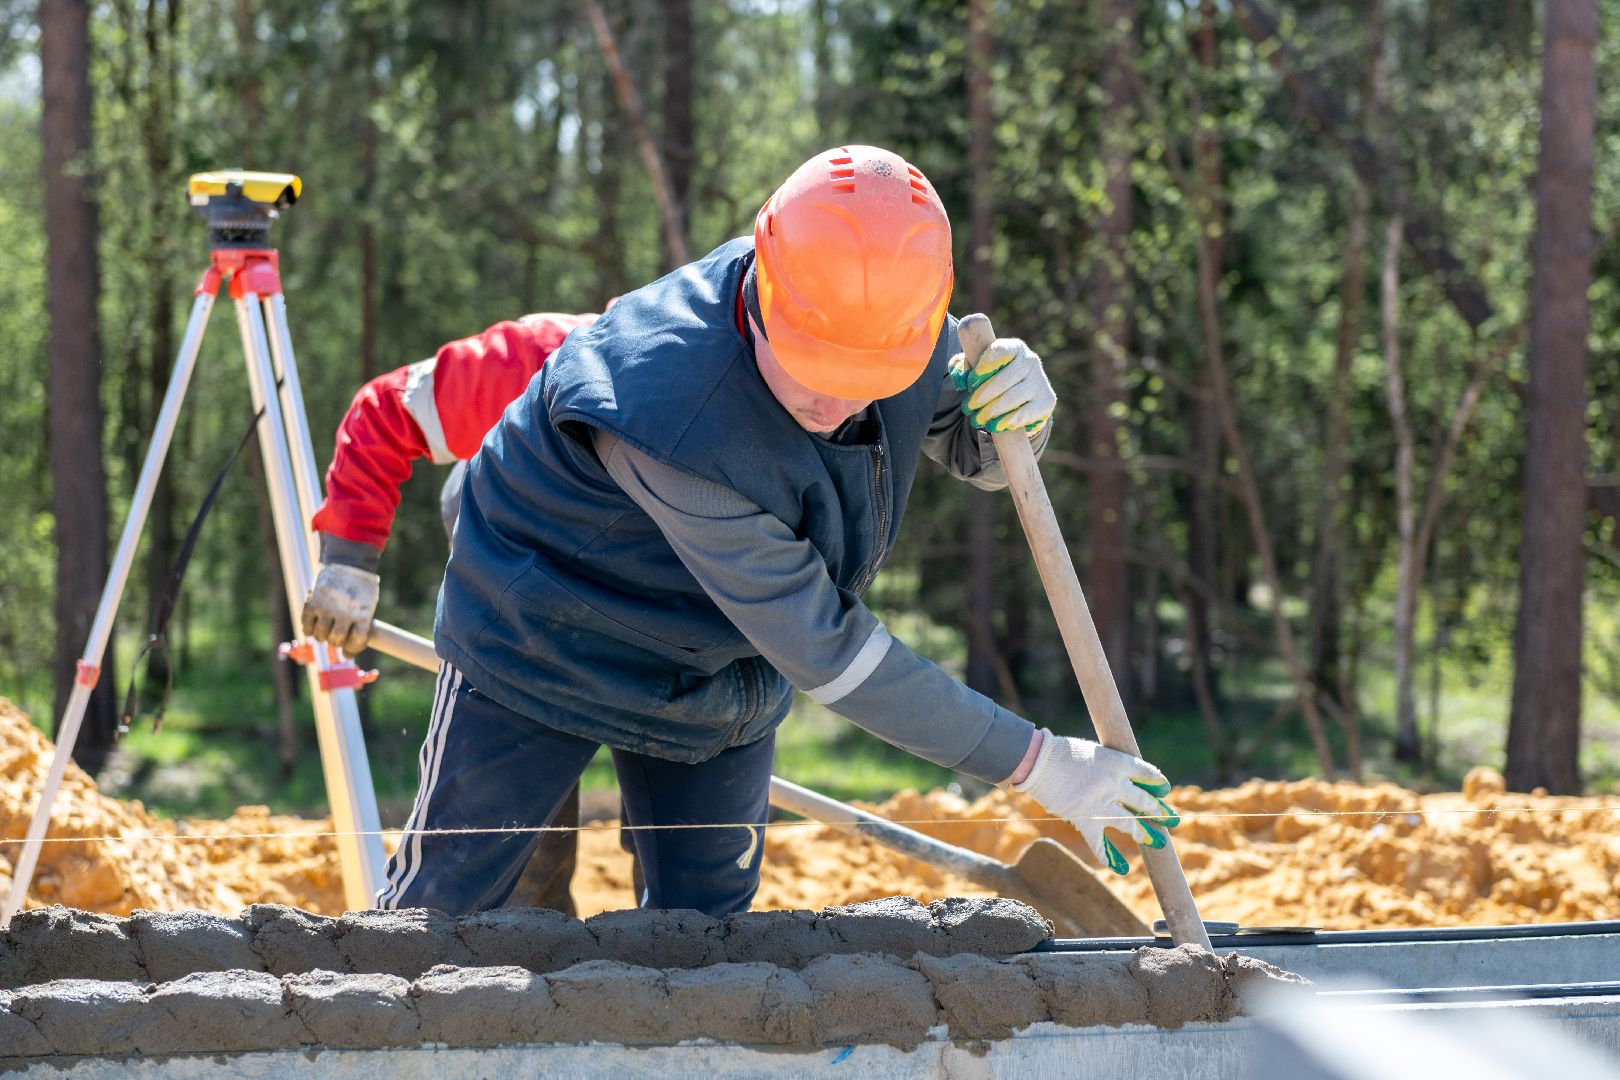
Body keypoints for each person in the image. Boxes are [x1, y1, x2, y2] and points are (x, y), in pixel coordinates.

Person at [375, 144, 1179, 917]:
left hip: (723, 662)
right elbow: (832, 652)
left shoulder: (881, 312)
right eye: (815, 373)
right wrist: (1041, 765)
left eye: (867, 384)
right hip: (543, 632)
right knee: (441, 912)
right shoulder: (669, 417)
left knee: (706, 934)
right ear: (767, 293)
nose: (836, 409)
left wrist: (1019, 419)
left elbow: (976, 451)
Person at [301, 308, 600, 914]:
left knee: (679, 872)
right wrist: (348, 562)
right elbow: (384, 410)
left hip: (664, 603)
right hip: (513, 561)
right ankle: (527, 929)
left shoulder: (721, 411)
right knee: (521, 825)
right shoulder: (530, 365)